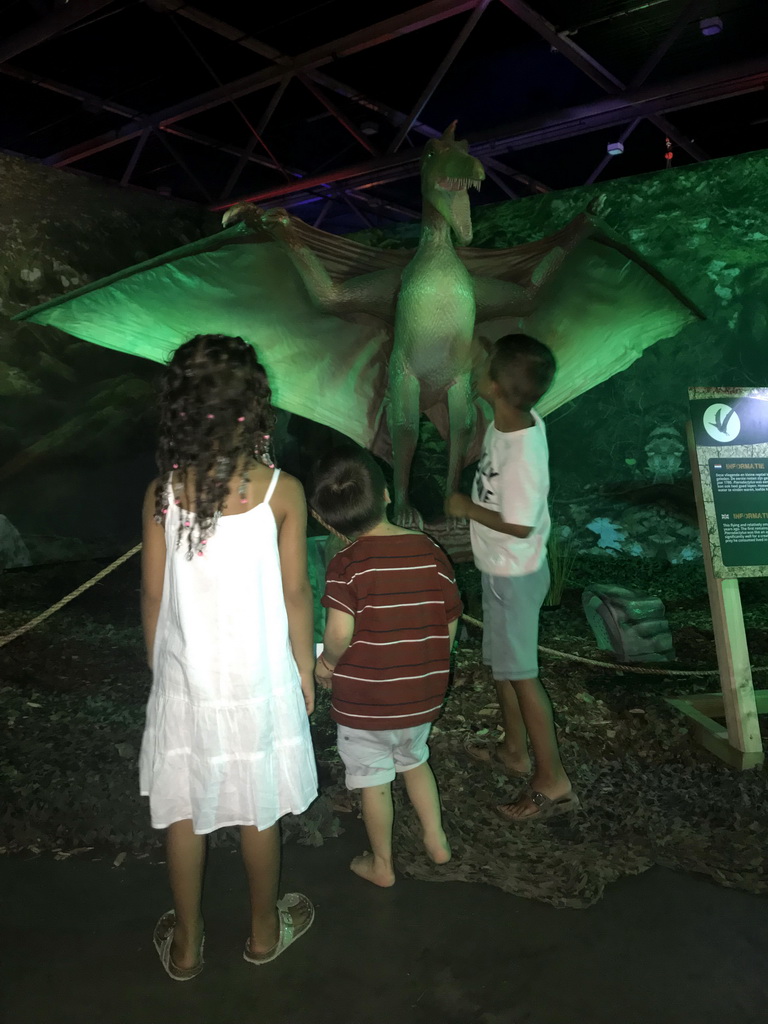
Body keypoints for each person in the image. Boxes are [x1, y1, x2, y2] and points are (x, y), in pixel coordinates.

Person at [139, 334, 318, 981]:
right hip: (260, 681)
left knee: (185, 809)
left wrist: (163, 676)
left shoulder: (163, 494)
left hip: (188, 682)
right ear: (252, 408)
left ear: (181, 410)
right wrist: (304, 668)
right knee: (256, 807)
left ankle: (187, 945)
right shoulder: (282, 493)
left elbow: (155, 595)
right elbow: (297, 592)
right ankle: (265, 933)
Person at [310, 447, 462, 888]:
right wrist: (433, 661)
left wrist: (327, 664)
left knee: (373, 779)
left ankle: (382, 864)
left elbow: (339, 633)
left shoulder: (347, 563)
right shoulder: (428, 549)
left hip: (366, 702)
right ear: (388, 496)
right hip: (420, 695)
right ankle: (436, 841)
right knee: (415, 761)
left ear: (324, 522)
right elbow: (450, 617)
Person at [445, 333, 578, 823]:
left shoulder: (522, 451)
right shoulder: (510, 420)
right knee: (503, 668)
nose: (477, 368)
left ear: (497, 385)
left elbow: (520, 523)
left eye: (486, 365)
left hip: (516, 574)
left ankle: (553, 780)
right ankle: (515, 750)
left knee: (522, 677)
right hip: (500, 569)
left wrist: (466, 508)